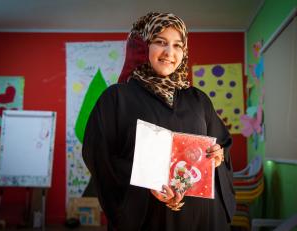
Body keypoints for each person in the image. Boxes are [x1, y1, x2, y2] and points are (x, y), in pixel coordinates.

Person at [82, 12, 236, 231]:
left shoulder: (199, 99)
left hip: (202, 219)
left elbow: (222, 144)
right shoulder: (117, 98)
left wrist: (219, 156)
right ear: (145, 46)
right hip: (147, 218)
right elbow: (98, 155)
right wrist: (146, 184)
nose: (169, 53)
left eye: (177, 45)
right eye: (160, 42)